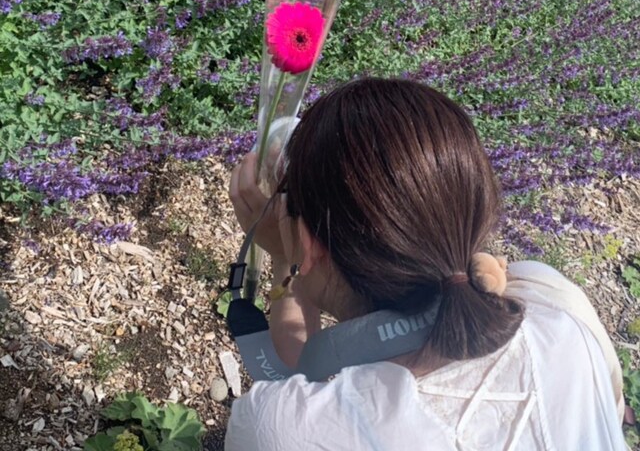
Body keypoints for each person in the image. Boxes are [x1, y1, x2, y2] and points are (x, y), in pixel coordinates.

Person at [226, 77, 627, 450]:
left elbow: (295, 397)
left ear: (310, 245)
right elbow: (611, 410)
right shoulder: (552, 302)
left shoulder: (282, 431)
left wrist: (287, 257)